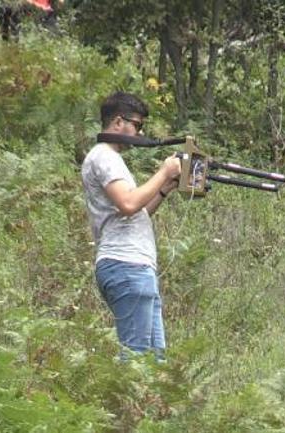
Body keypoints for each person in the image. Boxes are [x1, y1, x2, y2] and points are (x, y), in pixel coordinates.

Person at [81, 92, 181, 359]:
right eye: (136, 125)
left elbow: (134, 212)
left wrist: (164, 188)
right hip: (126, 265)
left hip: (135, 267)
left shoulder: (111, 158)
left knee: (155, 360)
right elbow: (127, 203)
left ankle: (143, 403)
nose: (138, 133)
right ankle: (119, 403)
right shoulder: (104, 156)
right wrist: (163, 172)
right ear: (117, 122)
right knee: (135, 360)